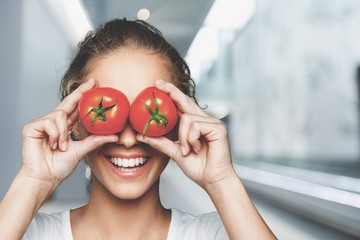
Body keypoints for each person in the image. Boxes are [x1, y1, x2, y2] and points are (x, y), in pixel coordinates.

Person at [0, 19, 276, 240]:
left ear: (179, 124)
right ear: (76, 124)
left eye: (153, 113)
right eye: (106, 114)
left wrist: (222, 181)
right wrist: (34, 180)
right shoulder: (27, 232)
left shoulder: (218, 233)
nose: (130, 139)